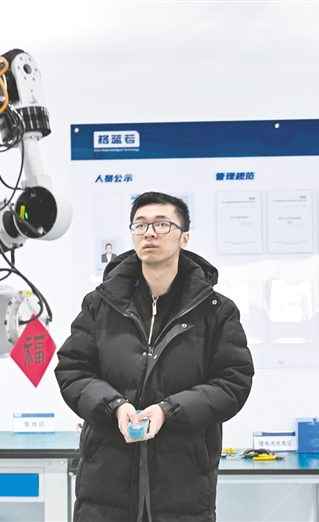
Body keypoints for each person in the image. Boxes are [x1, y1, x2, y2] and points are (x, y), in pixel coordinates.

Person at [55, 192, 254, 522]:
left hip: (183, 480)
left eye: (162, 224)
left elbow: (233, 383)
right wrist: (114, 406)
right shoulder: (100, 304)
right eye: (140, 225)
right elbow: (73, 370)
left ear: (184, 238)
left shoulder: (216, 311)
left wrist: (168, 411)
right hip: (107, 476)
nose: (149, 233)